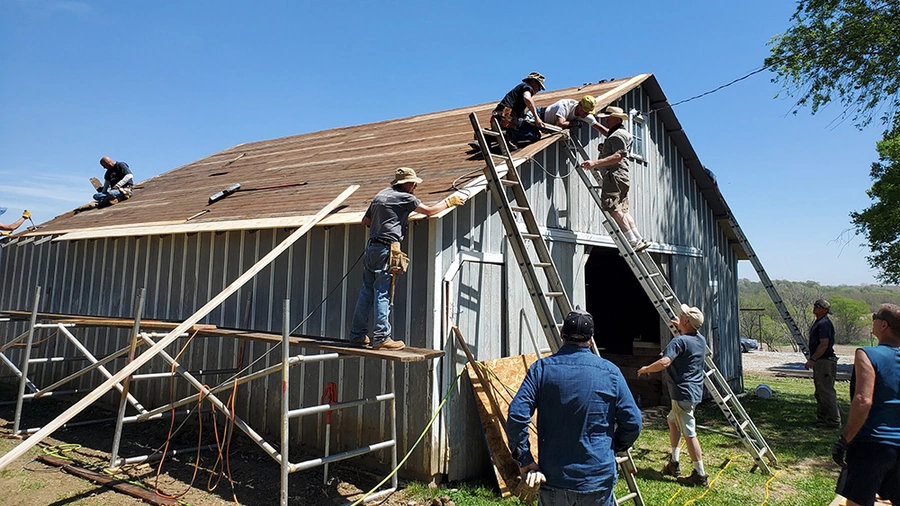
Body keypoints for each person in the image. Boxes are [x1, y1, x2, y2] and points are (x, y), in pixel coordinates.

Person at [506, 308, 642, 505]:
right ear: (591, 339)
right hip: (596, 480)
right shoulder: (610, 373)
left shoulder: (541, 369)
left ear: (562, 334)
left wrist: (524, 459)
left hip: (555, 480)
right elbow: (633, 422)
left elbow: (517, 416)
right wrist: (615, 446)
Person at [349, 167, 465, 350]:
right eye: (413, 184)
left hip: (372, 247)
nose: (415, 187)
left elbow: (366, 221)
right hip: (387, 248)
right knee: (382, 293)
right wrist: (449, 202)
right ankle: (381, 337)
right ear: (406, 184)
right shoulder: (406, 197)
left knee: (366, 292)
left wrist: (390, 218)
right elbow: (429, 211)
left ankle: (357, 335)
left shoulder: (380, 195)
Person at [832, 303, 900, 506]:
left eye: (875, 317)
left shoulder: (867, 354)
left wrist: (844, 440)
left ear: (884, 325)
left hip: (872, 445)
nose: (873, 321)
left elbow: (863, 400)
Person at [638, 304, 709, 487]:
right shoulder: (700, 340)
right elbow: (688, 340)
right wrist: (682, 326)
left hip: (681, 393)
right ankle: (674, 463)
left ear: (685, 321)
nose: (679, 315)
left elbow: (664, 362)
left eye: (682, 315)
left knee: (689, 433)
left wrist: (647, 369)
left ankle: (700, 476)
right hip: (693, 392)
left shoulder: (679, 342)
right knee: (672, 420)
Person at [580, 106, 649, 252]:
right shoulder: (622, 133)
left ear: (616, 119)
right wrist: (603, 145)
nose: (606, 120)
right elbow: (612, 141)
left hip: (614, 176)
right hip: (622, 176)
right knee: (623, 210)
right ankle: (638, 238)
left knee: (612, 208)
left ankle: (632, 240)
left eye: (608, 118)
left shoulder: (617, 136)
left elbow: (618, 156)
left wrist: (595, 163)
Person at [470, 72, 546, 152]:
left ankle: (487, 136)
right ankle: (508, 135)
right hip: (507, 115)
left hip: (500, 115)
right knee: (535, 135)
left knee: (511, 130)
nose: (538, 90)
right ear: (533, 82)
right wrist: (537, 118)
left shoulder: (517, 97)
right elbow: (527, 98)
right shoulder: (527, 87)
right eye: (539, 87)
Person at [805, 298, 841, 428]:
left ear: (825, 310)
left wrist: (812, 359)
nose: (815, 307)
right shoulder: (819, 322)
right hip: (820, 361)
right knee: (820, 391)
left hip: (825, 361)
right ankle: (822, 419)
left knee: (826, 391)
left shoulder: (824, 323)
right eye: (815, 305)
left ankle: (833, 421)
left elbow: (824, 344)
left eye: (818, 306)